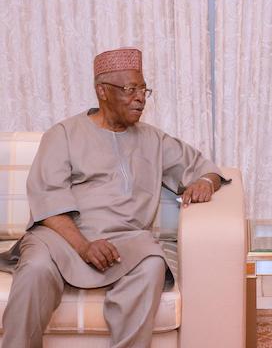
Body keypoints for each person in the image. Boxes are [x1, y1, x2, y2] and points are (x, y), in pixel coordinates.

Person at [1, 48, 226, 348]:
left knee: (152, 265)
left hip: (125, 241)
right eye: (130, 89)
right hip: (62, 238)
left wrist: (206, 183)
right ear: (102, 92)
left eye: (143, 89)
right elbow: (47, 199)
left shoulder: (153, 139)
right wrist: (83, 246)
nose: (140, 98)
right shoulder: (63, 134)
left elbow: (204, 169)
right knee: (36, 269)